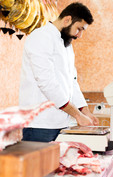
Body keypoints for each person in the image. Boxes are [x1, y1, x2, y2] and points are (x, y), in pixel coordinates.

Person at [19, 2, 99, 142]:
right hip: (39, 125)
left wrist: (85, 111)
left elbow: (71, 82)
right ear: (67, 19)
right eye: (79, 29)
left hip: (60, 123)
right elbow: (46, 82)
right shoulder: (41, 37)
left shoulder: (66, 44)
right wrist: (78, 116)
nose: (79, 35)